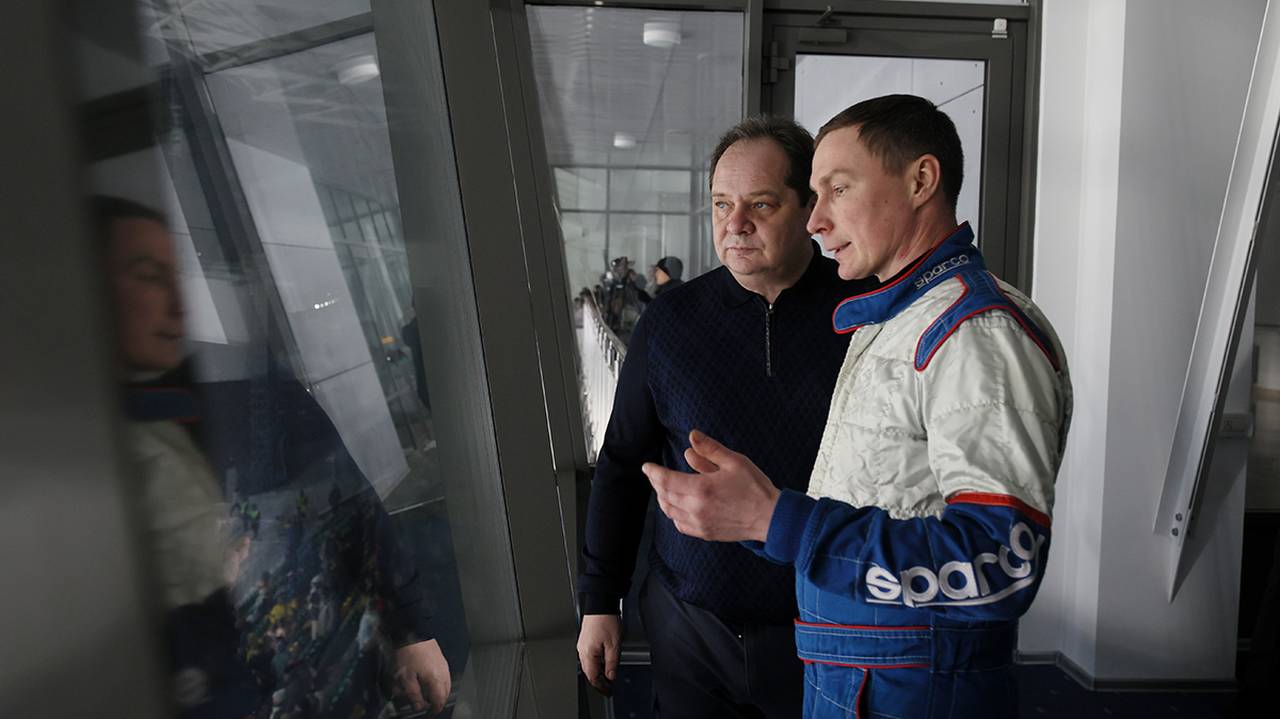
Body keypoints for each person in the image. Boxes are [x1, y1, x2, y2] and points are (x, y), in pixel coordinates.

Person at [643, 95, 1072, 719]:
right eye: (815, 195)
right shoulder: (899, 318)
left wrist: (779, 521)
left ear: (921, 180)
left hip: (910, 689)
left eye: (838, 189)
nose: (816, 221)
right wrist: (759, 514)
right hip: (860, 676)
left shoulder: (974, 332)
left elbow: (1000, 564)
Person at [97, 195, 451, 717]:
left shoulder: (241, 387)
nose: (178, 303)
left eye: (176, 273)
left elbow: (350, 503)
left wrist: (410, 628)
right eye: (148, 276)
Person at [576, 117, 876, 718]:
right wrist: (600, 600)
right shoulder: (669, 321)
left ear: (808, 207)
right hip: (689, 624)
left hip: (825, 622)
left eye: (760, 204)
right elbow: (622, 464)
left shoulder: (866, 313)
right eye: (721, 204)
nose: (734, 223)